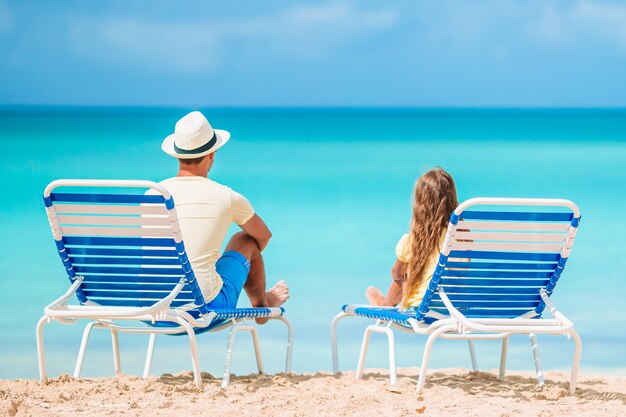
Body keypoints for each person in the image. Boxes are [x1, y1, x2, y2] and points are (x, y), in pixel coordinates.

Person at [159, 111, 289, 323]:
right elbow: (264, 236)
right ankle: (262, 303)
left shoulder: (154, 194)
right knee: (244, 240)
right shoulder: (226, 196)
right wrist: (233, 263)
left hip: (154, 309)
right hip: (203, 313)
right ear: (211, 155)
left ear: (177, 154)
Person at [365, 168, 458, 309]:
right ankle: (386, 304)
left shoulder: (413, 240)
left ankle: (385, 305)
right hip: (454, 309)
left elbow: (397, 273)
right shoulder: (462, 238)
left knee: (404, 271)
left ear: (419, 205)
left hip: (422, 309)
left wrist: (405, 275)